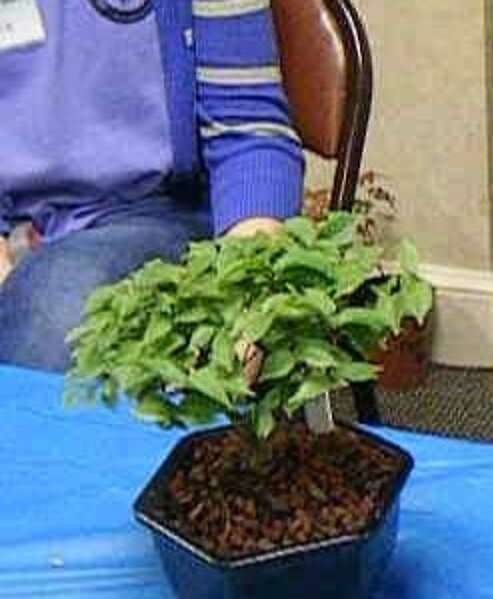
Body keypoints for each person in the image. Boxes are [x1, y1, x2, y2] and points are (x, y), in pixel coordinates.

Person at [0, 0, 304, 371]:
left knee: (55, 304)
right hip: (21, 231)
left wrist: (246, 298)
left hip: (155, 212)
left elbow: (249, 132)